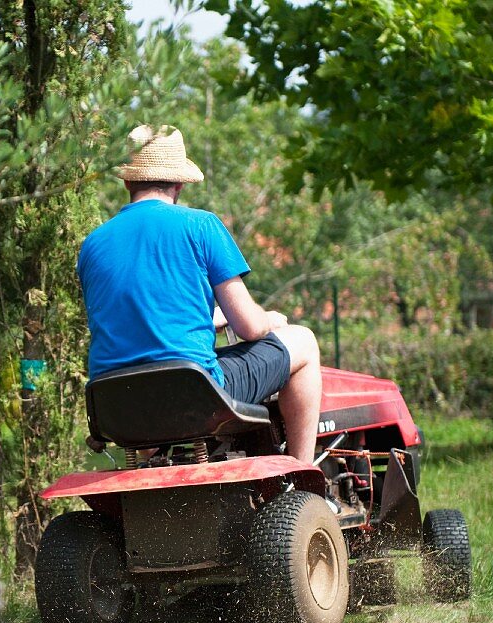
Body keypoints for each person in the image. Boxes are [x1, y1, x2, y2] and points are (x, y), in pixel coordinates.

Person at [77, 124, 321, 462]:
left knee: (145, 379)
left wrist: (211, 320)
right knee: (305, 341)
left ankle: (150, 471)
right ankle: (305, 477)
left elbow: (136, 319)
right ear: (179, 183)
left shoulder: (92, 245)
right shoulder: (201, 226)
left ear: (127, 181)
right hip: (194, 397)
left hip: (116, 403)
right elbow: (250, 328)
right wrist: (270, 319)